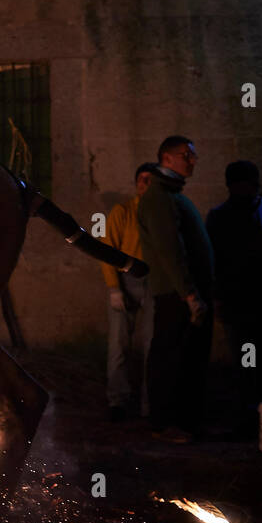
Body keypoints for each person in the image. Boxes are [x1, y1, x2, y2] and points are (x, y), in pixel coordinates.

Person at [206, 160, 262, 434]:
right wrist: (219, 297)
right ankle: (249, 415)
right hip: (240, 304)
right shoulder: (221, 216)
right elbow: (215, 260)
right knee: (247, 360)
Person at [137, 135, 214, 443]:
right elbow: (170, 250)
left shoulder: (172, 195)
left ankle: (184, 421)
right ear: (166, 158)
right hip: (175, 296)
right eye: (186, 155)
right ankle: (163, 423)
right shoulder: (159, 197)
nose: (192, 160)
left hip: (182, 293)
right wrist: (189, 294)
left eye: (193, 155)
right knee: (170, 357)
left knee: (186, 359)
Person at [99, 162, 159, 421]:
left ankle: (151, 403)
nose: (145, 184)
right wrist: (114, 288)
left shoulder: (162, 213)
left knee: (153, 345)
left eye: (150, 180)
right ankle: (118, 402)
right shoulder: (122, 212)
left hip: (155, 283)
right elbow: (107, 250)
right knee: (118, 344)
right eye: (141, 180)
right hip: (126, 282)